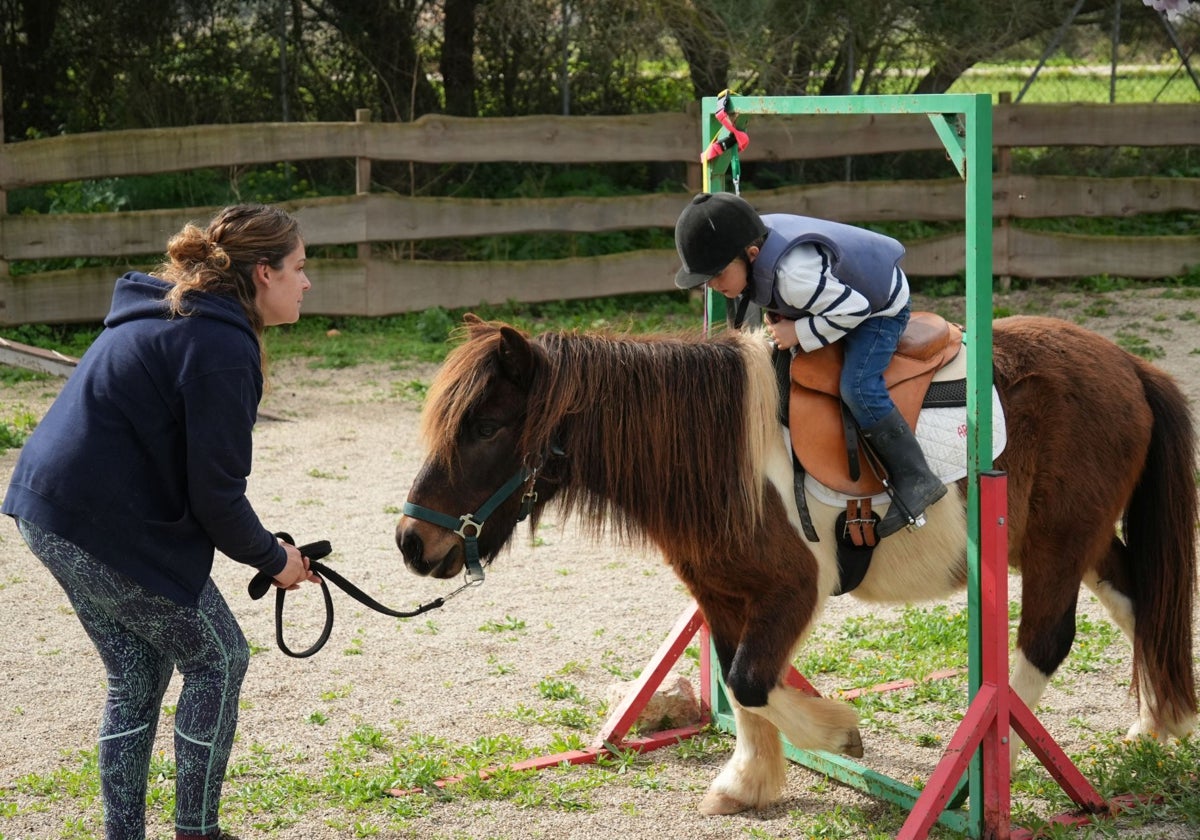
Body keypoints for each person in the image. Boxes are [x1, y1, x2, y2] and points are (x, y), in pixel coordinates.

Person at [2, 204, 322, 840]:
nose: (307, 282)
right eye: (300, 268)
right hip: (100, 525)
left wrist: (266, 549)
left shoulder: (178, 313)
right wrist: (275, 561)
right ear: (263, 273)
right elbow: (218, 500)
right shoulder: (221, 346)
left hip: (47, 512)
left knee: (138, 674)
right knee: (221, 658)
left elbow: (202, 487)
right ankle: (195, 833)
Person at [673, 191, 946, 537]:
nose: (711, 285)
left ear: (751, 254)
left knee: (858, 387)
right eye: (706, 279)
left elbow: (856, 308)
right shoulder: (750, 245)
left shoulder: (793, 278)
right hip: (829, 300)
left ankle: (917, 476)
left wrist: (798, 331)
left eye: (717, 274)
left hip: (878, 309)